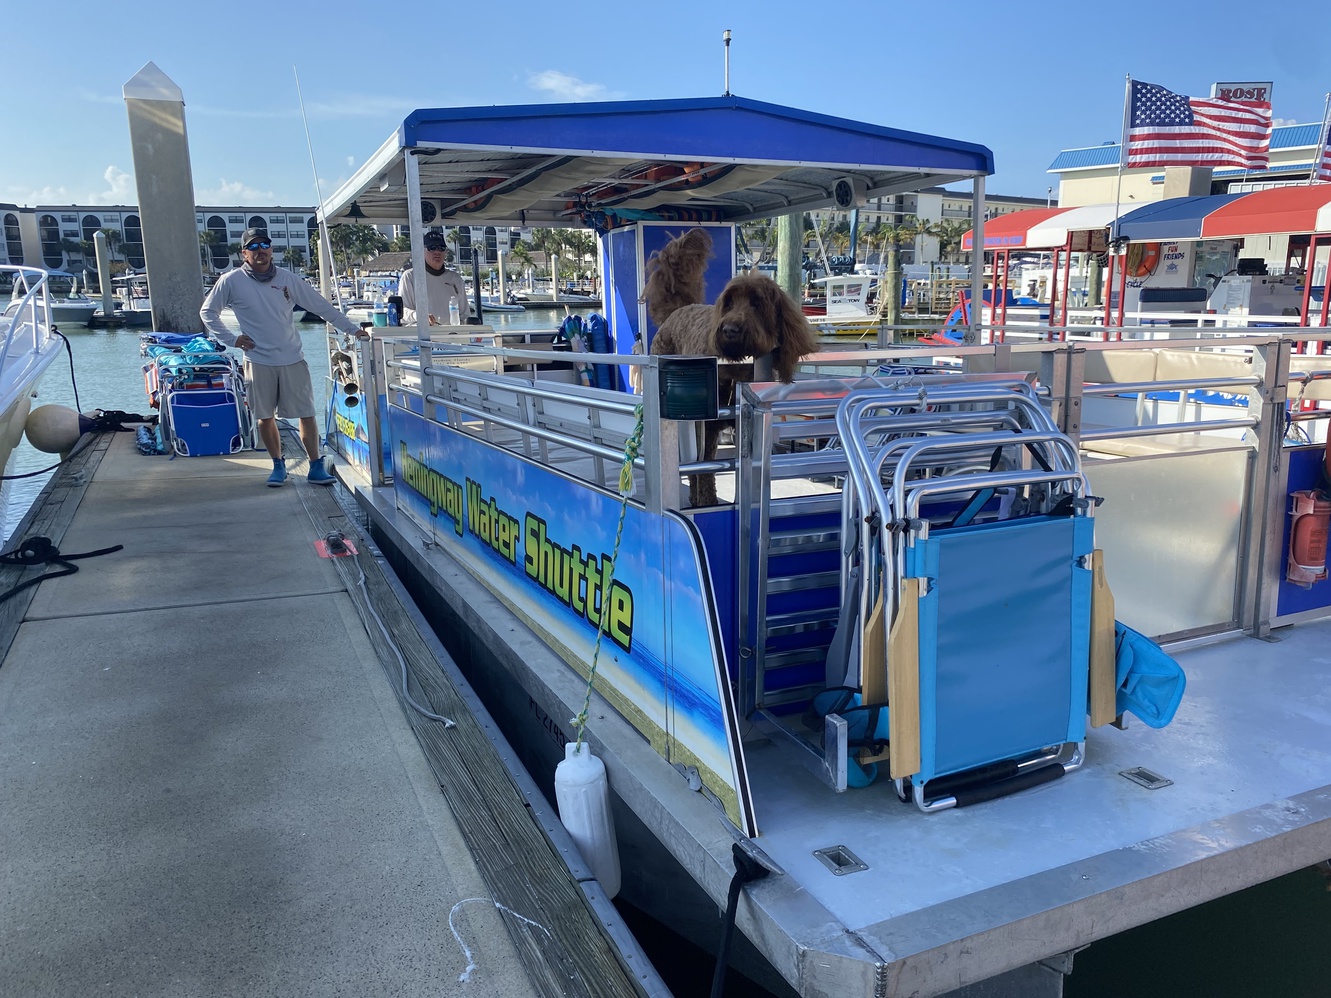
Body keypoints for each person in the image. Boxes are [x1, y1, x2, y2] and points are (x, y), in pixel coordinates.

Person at [200, 226, 368, 487]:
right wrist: (232, 340)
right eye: (253, 247)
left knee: (306, 413)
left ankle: (315, 465)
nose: (260, 251)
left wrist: (354, 330)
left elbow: (321, 307)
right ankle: (278, 464)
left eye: (264, 245)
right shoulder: (231, 281)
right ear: (244, 253)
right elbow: (208, 313)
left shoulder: (288, 279)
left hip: (292, 357)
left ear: (271, 249)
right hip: (258, 360)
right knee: (264, 416)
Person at [399, 231, 469, 324]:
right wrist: (420, 315)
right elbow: (403, 312)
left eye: (441, 248)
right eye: (432, 248)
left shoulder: (456, 279)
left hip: (452, 335)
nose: (437, 252)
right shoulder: (410, 277)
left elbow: (465, 315)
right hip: (423, 336)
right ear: (422, 251)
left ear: (445, 252)